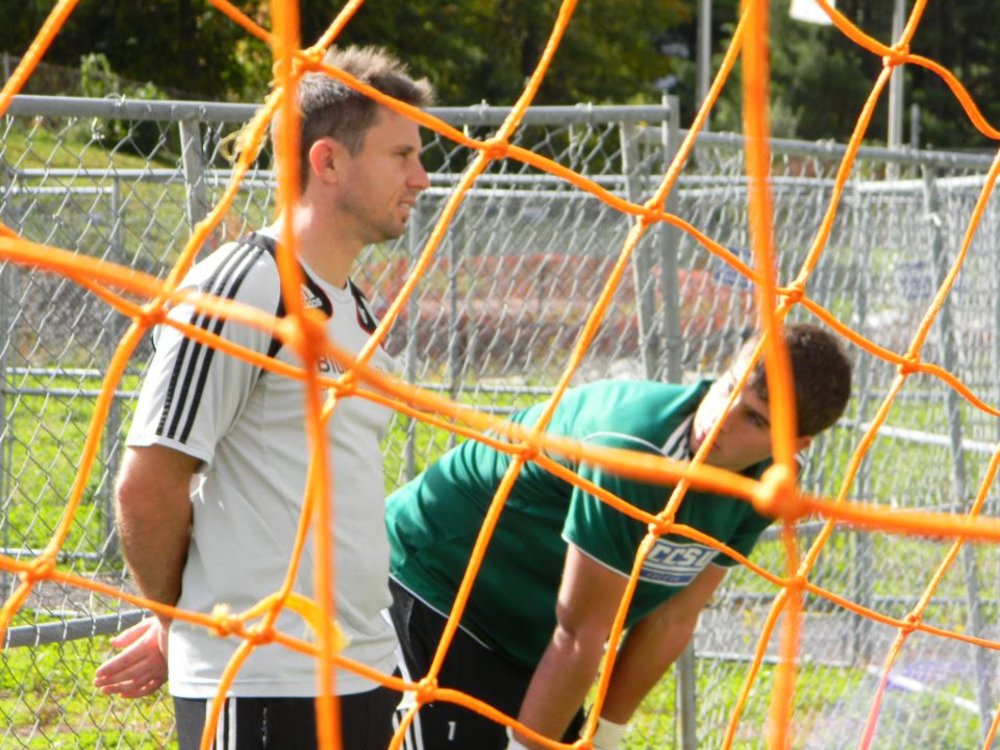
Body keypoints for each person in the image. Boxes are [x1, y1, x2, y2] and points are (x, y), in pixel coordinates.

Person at [92, 45, 434, 750]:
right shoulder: (245, 284)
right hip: (264, 681)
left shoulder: (355, 312)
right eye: (401, 155)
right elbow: (148, 486)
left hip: (364, 673)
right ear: (328, 162)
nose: (422, 178)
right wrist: (178, 620)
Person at [385, 323, 852, 750]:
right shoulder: (634, 446)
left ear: (793, 447)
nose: (724, 417)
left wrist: (604, 736)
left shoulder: (768, 487)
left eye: (755, 419)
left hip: (531, 640)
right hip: (437, 582)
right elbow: (579, 631)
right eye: (730, 387)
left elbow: (674, 617)